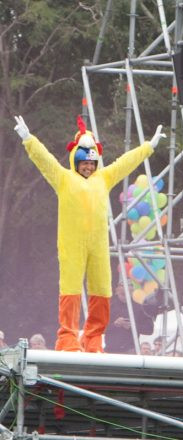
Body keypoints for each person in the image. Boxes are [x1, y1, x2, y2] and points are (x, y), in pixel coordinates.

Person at [14, 115, 166, 353]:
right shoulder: (64, 178)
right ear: (76, 161)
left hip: (98, 245)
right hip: (72, 245)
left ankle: (93, 338)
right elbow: (45, 160)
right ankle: (67, 338)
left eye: (92, 163)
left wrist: (148, 147)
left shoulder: (103, 178)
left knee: (103, 291)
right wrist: (28, 139)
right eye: (84, 162)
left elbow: (125, 163)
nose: (88, 166)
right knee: (71, 291)